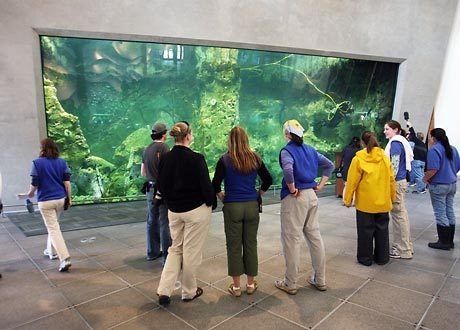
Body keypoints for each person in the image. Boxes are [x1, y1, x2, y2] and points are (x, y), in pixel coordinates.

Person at [156, 121, 216, 307]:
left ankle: (164, 289)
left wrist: (169, 202)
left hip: (174, 211)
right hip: (195, 211)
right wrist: (211, 203)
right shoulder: (197, 158)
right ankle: (189, 291)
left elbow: (162, 184)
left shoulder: (165, 158)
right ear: (188, 136)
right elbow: (206, 185)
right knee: (191, 252)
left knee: (175, 248)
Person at [274, 119, 334, 295]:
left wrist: (292, 188)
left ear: (287, 134)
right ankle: (320, 279)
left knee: (292, 240)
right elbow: (329, 165)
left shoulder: (287, 151)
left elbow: (287, 169)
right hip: (312, 197)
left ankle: (290, 283)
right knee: (315, 237)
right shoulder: (311, 150)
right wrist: (321, 185)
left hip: (296, 198)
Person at [212, 126, 273, 297]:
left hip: (232, 207)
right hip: (252, 206)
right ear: (246, 139)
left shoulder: (224, 160)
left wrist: (221, 196)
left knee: (233, 247)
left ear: (229, 140)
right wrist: (258, 194)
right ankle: (251, 284)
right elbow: (268, 179)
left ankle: (237, 287)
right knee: (251, 244)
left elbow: (215, 183)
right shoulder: (255, 157)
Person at [19, 138, 72, 272]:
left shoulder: (37, 163)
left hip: (46, 201)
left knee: (53, 229)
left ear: (42, 149)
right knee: (54, 227)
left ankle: (64, 259)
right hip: (60, 199)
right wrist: (69, 199)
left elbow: (35, 183)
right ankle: (50, 251)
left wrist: (29, 194)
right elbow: (67, 183)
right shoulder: (62, 162)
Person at [344, 131, 396, 266]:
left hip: (365, 203)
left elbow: (352, 181)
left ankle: (365, 259)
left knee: (365, 232)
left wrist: (347, 199)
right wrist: (392, 196)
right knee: (382, 231)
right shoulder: (384, 157)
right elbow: (391, 179)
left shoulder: (358, 159)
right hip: (383, 202)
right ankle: (382, 258)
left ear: (362, 142)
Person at [423, 128, 460, 250]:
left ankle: (443, 242)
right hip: (452, 184)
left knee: (440, 213)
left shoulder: (434, 150)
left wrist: (425, 179)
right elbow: (457, 166)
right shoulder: (452, 149)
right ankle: (450, 241)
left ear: (433, 137)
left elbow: (433, 169)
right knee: (449, 210)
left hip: (439, 185)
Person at [141, 122, 171, 264]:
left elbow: (143, 172)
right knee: (164, 220)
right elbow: (167, 170)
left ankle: (152, 252)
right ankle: (167, 256)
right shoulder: (165, 148)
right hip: (163, 188)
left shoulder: (146, 149)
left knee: (151, 219)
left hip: (150, 188)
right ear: (164, 134)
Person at [384, 120, 414, 259]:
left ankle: (402, 249)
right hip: (402, 181)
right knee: (402, 214)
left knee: (398, 216)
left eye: (387, 129)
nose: (385, 131)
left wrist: (389, 182)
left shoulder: (395, 142)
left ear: (396, 129)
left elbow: (394, 164)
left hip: (396, 182)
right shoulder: (402, 141)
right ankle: (407, 245)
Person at [406, 121, 428, 194]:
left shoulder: (416, 141)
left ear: (417, 137)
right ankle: (423, 188)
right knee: (421, 175)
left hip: (417, 161)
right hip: (423, 162)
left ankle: (421, 189)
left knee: (418, 176)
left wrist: (408, 122)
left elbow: (412, 132)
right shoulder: (424, 144)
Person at [340, 136, 361, 200]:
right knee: (355, 186)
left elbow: (342, 158)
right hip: (354, 170)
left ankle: (345, 200)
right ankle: (353, 201)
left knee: (346, 186)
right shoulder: (359, 150)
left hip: (345, 169)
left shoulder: (346, 148)